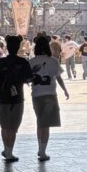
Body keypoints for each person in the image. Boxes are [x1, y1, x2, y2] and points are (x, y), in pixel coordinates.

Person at [0, 35, 33, 162]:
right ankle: (9, 151)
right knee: (13, 126)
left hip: (2, 97)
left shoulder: (1, 62)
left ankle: (6, 149)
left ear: (7, 47)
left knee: (4, 125)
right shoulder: (23, 62)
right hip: (18, 97)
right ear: (19, 47)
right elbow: (29, 79)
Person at [30, 33, 69, 161]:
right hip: (50, 95)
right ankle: (42, 151)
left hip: (36, 95)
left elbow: (27, 78)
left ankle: (40, 148)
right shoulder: (53, 61)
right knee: (45, 124)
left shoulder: (32, 61)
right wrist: (65, 90)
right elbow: (58, 78)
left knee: (39, 122)